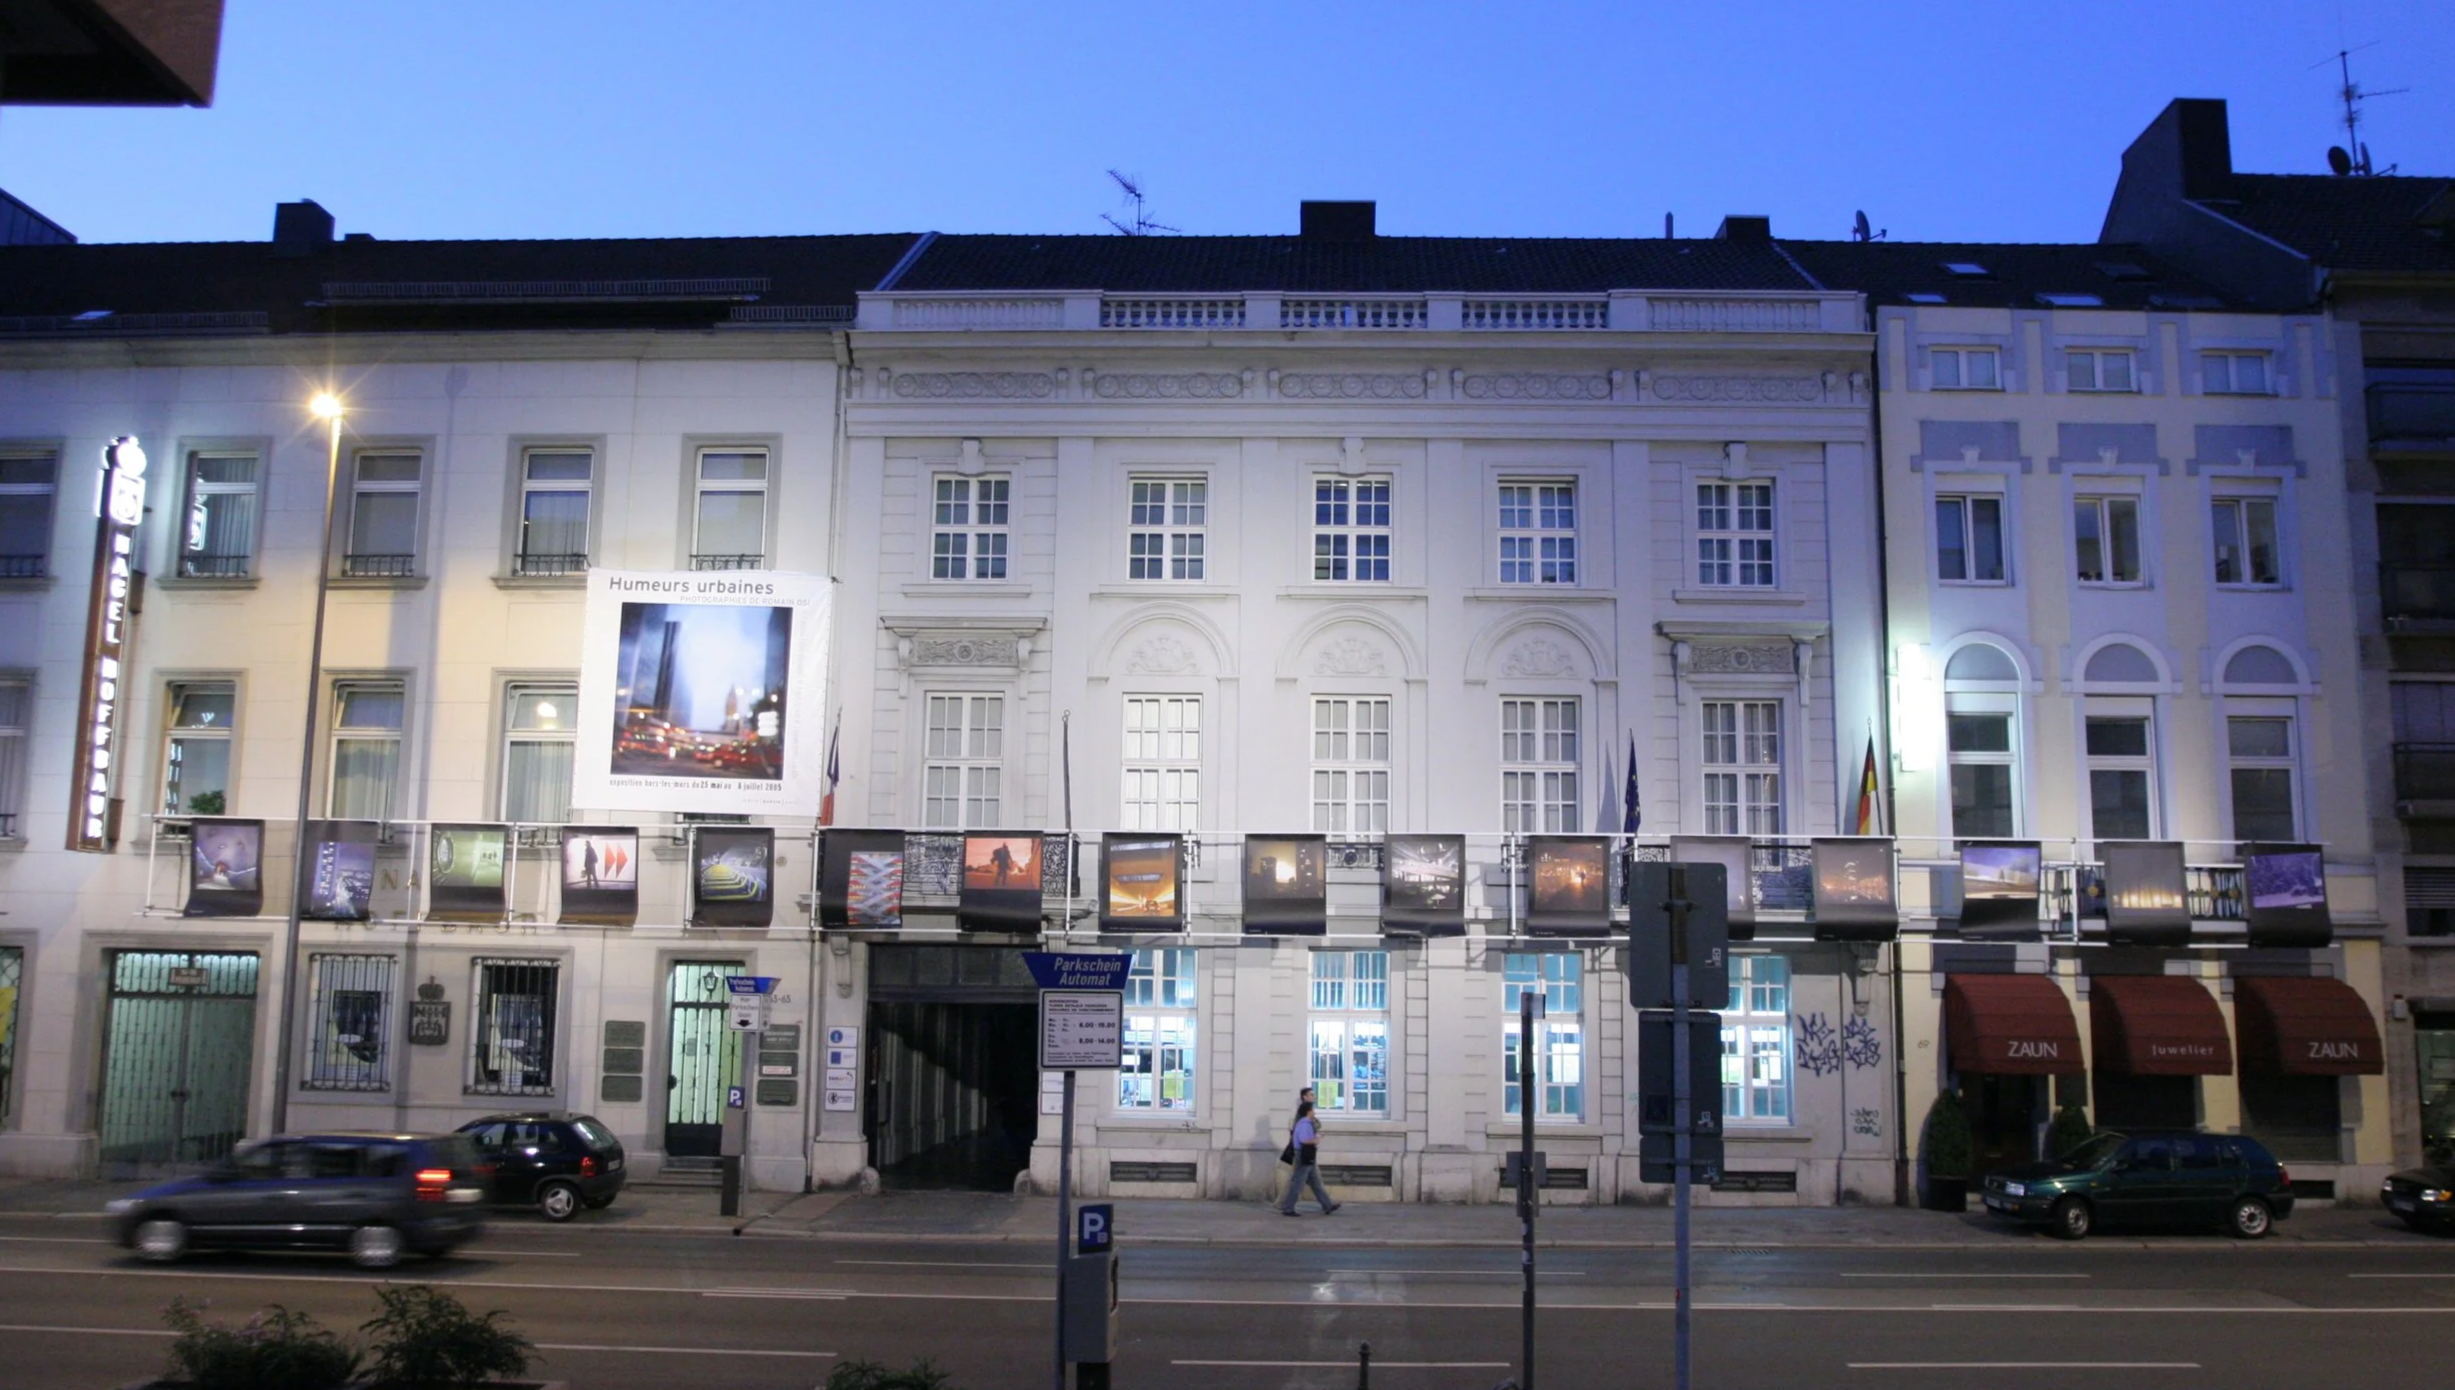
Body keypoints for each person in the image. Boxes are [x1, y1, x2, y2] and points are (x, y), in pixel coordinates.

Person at [1278, 1098, 1339, 1216]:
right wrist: (1316, 1140)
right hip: (1304, 1155)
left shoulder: (1303, 1123)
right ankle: (1288, 1208)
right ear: (1308, 1111)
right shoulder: (1305, 1123)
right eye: (1313, 1110)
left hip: (1307, 1155)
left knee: (1316, 1183)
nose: (1314, 1112)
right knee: (1298, 1183)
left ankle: (1327, 1205)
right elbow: (1304, 1140)